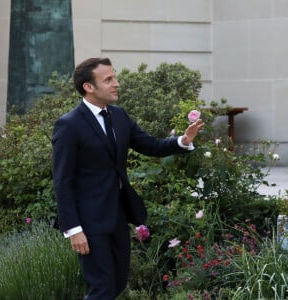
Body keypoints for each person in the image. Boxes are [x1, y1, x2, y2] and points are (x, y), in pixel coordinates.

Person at [52, 57, 205, 300]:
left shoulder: (119, 116)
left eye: (115, 77)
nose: (117, 83)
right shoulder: (69, 125)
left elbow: (151, 145)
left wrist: (183, 141)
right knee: (101, 288)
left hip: (118, 215)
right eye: (108, 79)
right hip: (89, 222)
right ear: (88, 87)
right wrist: (73, 229)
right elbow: (62, 181)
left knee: (118, 283)